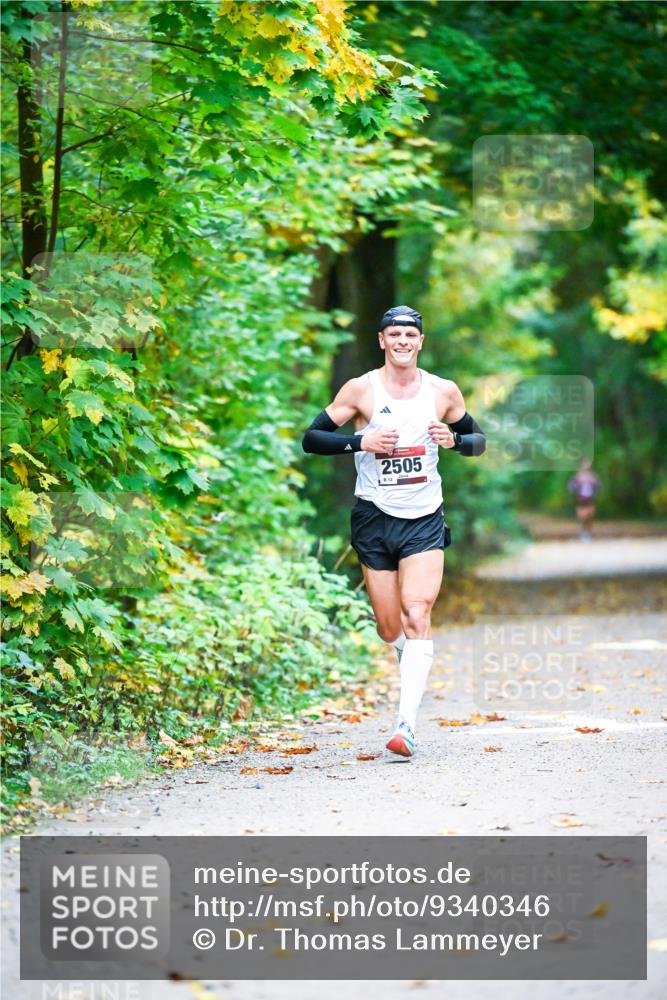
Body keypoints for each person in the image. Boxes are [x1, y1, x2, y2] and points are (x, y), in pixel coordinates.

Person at [302, 305, 486, 758]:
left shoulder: (442, 391)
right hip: (374, 516)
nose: (403, 341)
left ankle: (406, 725)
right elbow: (312, 438)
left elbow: (478, 440)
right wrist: (359, 441)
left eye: (410, 335)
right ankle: (410, 660)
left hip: (424, 516)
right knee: (389, 628)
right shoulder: (361, 389)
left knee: (417, 612)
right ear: (382, 341)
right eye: (394, 334)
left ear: (420, 342)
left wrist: (455, 441)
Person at [567, 459, 601, 541]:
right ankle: (583, 533)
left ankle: (588, 534)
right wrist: (576, 489)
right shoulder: (577, 476)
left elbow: (599, 486)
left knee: (590, 517)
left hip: (590, 499)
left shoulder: (593, 476)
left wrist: (595, 490)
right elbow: (571, 486)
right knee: (582, 517)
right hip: (581, 500)